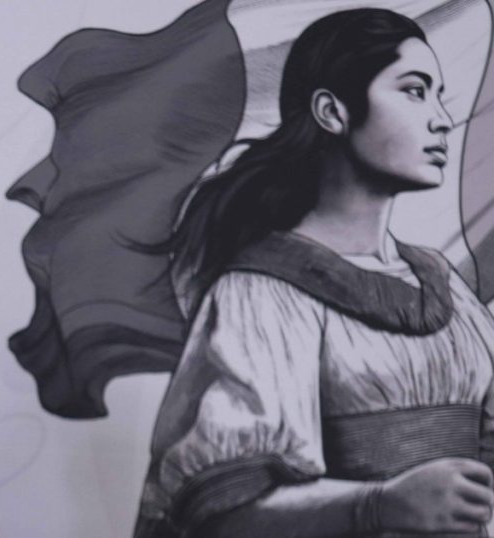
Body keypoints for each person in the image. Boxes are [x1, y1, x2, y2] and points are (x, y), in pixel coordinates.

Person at [134, 8, 494, 538]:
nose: (442, 119)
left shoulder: (445, 288)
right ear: (331, 111)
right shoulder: (261, 295)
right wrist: (379, 505)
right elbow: (219, 510)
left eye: (439, 95)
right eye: (415, 91)